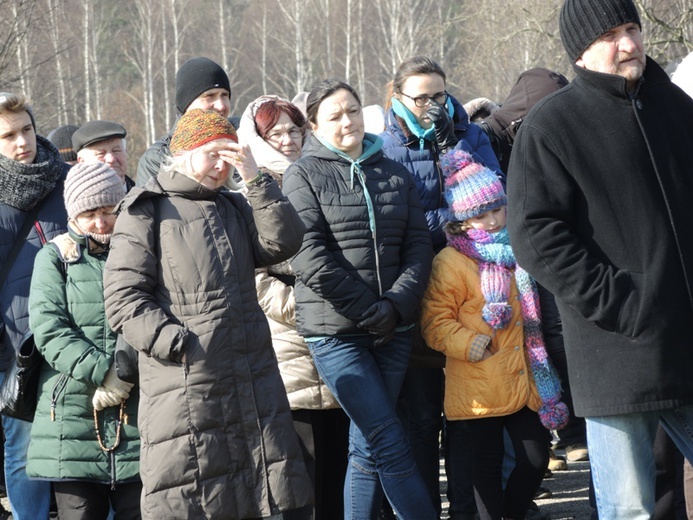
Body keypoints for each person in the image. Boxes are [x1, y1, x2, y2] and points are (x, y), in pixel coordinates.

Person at [506, 0, 693, 517]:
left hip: (687, 339)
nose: (630, 43)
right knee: (628, 509)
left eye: (632, 27)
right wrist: (624, 303)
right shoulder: (552, 124)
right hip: (617, 352)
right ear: (581, 51)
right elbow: (535, 235)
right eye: (611, 34)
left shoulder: (677, 108)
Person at [103, 108, 312, 519]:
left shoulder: (233, 205)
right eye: (211, 154)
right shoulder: (146, 209)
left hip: (251, 375)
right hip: (187, 383)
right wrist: (179, 345)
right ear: (183, 153)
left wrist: (255, 180)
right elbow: (124, 298)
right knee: (197, 495)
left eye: (228, 154)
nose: (221, 165)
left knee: (260, 490)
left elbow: (283, 242)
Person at [282, 78, 436, 519]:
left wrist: (395, 307)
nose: (347, 121)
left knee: (367, 447)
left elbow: (418, 246)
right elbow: (306, 255)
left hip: (395, 327)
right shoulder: (303, 175)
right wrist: (368, 309)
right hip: (337, 333)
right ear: (313, 126)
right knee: (388, 437)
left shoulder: (391, 170)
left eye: (352, 110)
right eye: (334, 115)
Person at [379, 55, 503, 518]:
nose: (432, 105)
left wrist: (454, 150)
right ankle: (426, 508)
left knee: (470, 414)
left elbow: (492, 196)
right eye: (421, 96)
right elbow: (397, 217)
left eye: (439, 94)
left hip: (475, 284)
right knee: (424, 413)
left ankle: (469, 509)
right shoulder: (384, 147)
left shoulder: (471, 135)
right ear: (398, 99)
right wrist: (447, 223)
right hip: (419, 291)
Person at [420, 149, 566, 520]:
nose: (491, 220)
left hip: (525, 378)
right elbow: (434, 321)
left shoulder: (522, 251)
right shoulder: (451, 262)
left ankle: (514, 513)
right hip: (478, 381)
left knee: (535, 460)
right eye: (479, 215)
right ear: (462, 220)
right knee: (482, 469)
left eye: (497, 210)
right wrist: (469, 342)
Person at [237, 95, 350, 520]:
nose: (287, 140)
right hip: (285, 341)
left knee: (341, 460)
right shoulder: (248, 196)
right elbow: (256, 279)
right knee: (300, 465)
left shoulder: (326, 177)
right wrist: (307, 308)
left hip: (338, 329)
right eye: (275, 132)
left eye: (294, 130)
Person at [27, 162, 141, 519]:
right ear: (73, 213)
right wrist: (102, 371)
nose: (101, 222)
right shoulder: (55, 258)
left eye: (109, 211)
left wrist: (124, 373)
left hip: (136, 412)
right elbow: (49, 327)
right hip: (71, 413)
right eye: (90, 213)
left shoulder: (143, 254)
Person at [0, 92, 68, 520]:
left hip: (70, 334)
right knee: (23, 446)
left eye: (26, 129)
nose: (22, 141)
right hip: (13, 349)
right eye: (8, 135)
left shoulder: (66, 179)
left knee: (81, 441)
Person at [136, 56, 231, 186]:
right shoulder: (159, 158)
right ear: (186, 102)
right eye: (210, 96)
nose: (221, 106)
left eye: (224, 95)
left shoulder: (240, 145)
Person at [72, 120, 134, 191]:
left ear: (126, 153)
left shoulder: (145, 199)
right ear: (82, 161)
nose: (111, 159)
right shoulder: (71, 201)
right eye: (101, 153)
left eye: (116, 150)